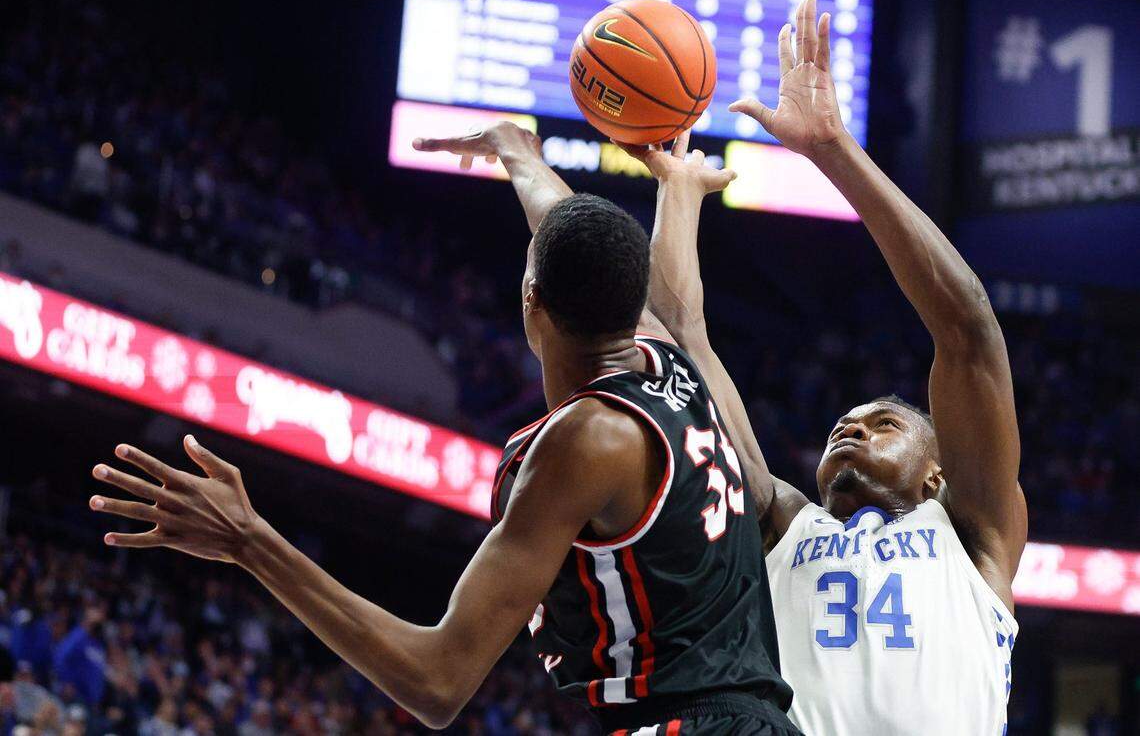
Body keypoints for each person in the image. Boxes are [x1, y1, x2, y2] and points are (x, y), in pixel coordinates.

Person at [89, 123, 800, 734]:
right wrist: (519, 156)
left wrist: (249, 539)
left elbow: (437, 680)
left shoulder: (588, 438)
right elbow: (565, 228)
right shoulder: (668, 362)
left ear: (531, 302)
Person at [621, 0, 1027, 736]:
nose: (851, 426)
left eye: (883, 423)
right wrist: (675, 196)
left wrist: (832, 147)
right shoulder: (784, 523)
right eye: (847, 421)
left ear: (938, 473)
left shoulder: (973, 534)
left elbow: (968, 327)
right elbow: (686, 347)